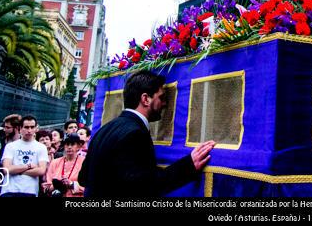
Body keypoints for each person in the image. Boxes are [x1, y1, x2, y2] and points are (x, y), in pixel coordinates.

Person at [79, 70, 215, 197]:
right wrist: (188, 165)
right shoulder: (136, 134)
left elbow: (83, 177)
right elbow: (144, 185)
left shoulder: (104, 129)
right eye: (161, 97)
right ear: (145, 99)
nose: (165, 104)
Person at [0, 115, 49, 197]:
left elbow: (41, 171)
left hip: (30, 190)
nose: (29, 130)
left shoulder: (41, 147)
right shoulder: (10, 146)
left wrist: (16, 170)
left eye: (32, 127)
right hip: (9, 189)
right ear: (20, 128)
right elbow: (6, 169)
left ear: (36, 128)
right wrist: (28, 166)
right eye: (26, 127)